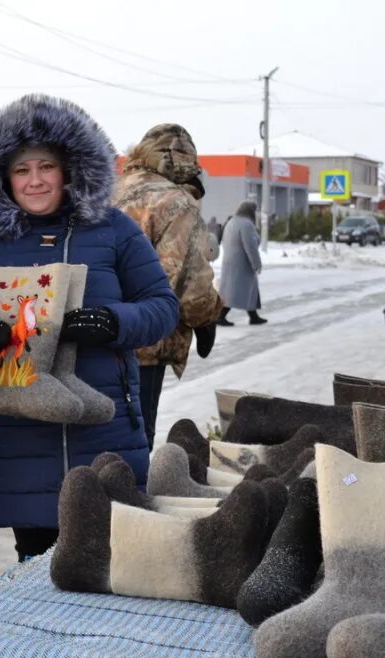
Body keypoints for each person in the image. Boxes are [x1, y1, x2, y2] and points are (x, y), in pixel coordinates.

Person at [0, 94, 179, 563]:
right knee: (36, 566)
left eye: (46, 167)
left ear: (70, 169)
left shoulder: (114, 229)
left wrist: (113, 323)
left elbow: (162, 307)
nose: (35, 180)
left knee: (107, 567)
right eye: (22, 170)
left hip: (103, 424)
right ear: (1, 177)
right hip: (18, 432)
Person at [114, 123, 222, 447]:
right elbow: (189, 283)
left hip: (93, 337)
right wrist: (209, 317)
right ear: (184, 161)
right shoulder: (175, 202)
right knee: (133, 443)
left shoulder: (110, 190)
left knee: (97, 442)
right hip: (144, 341)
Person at [217, 201, 267, 326]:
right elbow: (250, 246)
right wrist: (256, 263)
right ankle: (220, 315)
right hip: (242, 264)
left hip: (230, 262)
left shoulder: (231, 222)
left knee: (246, 290)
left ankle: (253, 316)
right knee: (237, 292)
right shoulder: (247, 225)